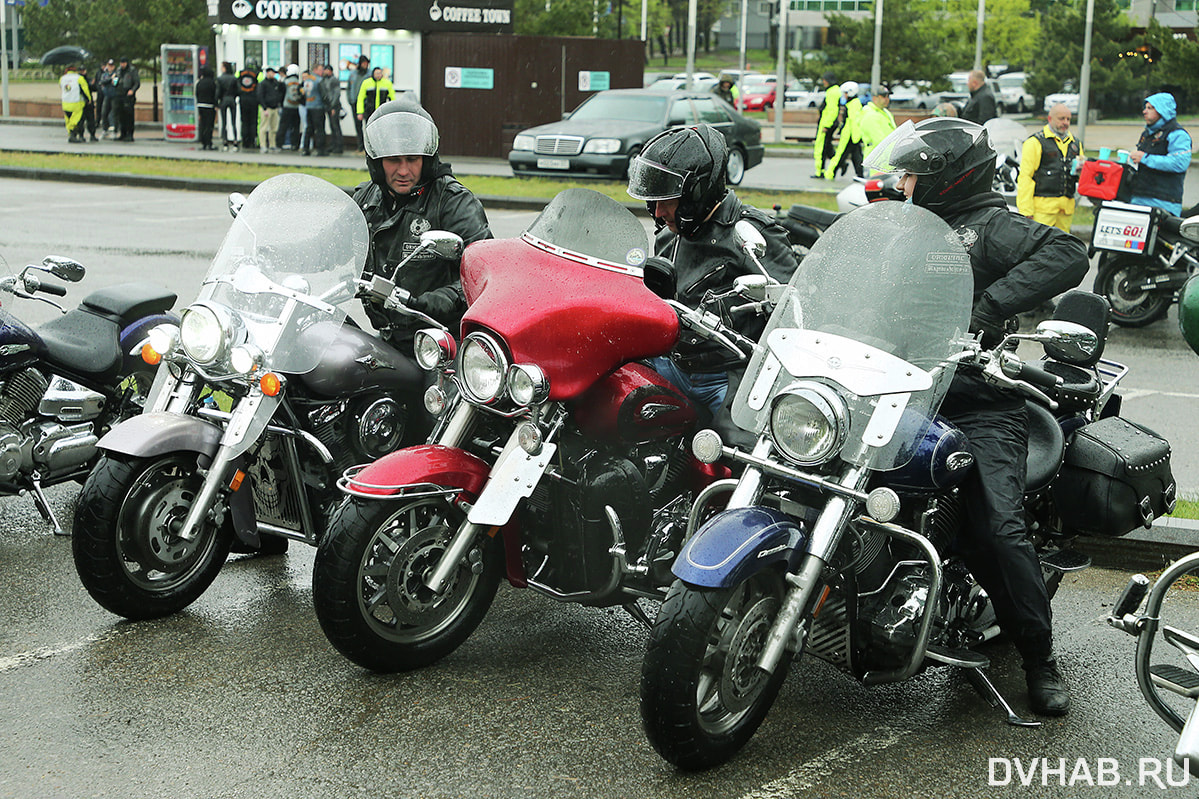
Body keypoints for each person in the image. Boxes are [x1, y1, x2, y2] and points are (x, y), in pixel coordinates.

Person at [864, 117, 1089, 717]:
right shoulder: (907, 226)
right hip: (897, 390)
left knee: (996, 525)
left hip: (976, 400)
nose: (903, 184)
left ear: (948, 178)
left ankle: (1039, 656)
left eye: (912, 175)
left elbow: (1068, 253)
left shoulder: (988, 226)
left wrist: (986, 308)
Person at [626, 124, 799, 418]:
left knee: (739, 451)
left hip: (728, 375)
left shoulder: (751, 232)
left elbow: (796, 310)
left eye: (666, 198)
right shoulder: (669, 235)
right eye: (654, 200)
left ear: (696, 192)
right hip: (673, 363)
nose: (657, 212)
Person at [351, 96, 492, 422]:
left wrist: (431, 302)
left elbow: (483, 276)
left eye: (412, 160)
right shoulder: (366, 199)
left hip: (439, 344)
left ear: (427, 159)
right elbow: (330, 245)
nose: (403, 171)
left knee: (441, 420)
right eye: (393, 160)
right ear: (376, 161)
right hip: (388, 339)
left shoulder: (453, 202)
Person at [1016, 103, 1079, 234]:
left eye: (1068, 119)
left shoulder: (1075, 144)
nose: (1065, 123)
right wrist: (1026, 210)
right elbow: (1025, 177)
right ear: (1050, 119)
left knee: (1062, 248)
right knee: (1039, 249)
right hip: (1042, 210)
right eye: (1061, 119)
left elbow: (1080, 175)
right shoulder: (1035, 142)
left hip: (1065, 211)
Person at [1128, 92, 1192, 217]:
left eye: (1150, 108)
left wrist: (1145, 158)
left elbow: (1180, 163)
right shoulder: (1147, 134)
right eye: (1145, 108)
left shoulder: (1178, 135)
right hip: (1138, 199)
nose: (1144, 111)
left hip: (1164, 203)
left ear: (1163, 110)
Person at [827, 81, 864, 179]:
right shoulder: (855, 103)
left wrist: (854, 136)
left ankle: (830, 173)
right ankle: (860, 175)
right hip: (852, 135)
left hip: (849, 135)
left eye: (846, 93)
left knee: (841, 155)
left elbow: (853, 121)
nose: (844, 95)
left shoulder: (853, 104)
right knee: (857, 156)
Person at [812, 71, 842, 179]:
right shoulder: (834, 91)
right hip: (827, 122)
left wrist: (826, 125)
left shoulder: (832, 92)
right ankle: (837, 165)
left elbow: (832, 110)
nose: (823, 82)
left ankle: (820, 171)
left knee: (821, 148)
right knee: (827, 147)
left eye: (824, 80)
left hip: (827, 123)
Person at [858, 85, 896, 157]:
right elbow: (878, 140)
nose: (887, 99)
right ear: (875, 98)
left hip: (886, 158)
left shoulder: (886, 112)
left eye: (888, 96)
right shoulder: (870, 114)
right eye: (883, 97)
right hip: (875, 160)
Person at [59, 64, 91, 143]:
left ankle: (71, 134)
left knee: (68, 119)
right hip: (76, 103)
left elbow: (61, 86)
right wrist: (88, 99)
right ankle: (73, 136)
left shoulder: (62, 78)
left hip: (65, 103)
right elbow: (85, 90)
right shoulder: (79, 78)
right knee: (76, 120)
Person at [256, 66, 284, 153]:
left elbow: (280, 92)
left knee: (274, 128)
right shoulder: (263, 84)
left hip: (274, 108)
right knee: (264, 128)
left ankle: (272, 145)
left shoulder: (275, 83)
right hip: (266, 108)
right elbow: (260, 96)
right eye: (272, 73)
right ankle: (263, 145)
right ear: (268, 73)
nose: (273, 75)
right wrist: (264, 108)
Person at [347, 54, 371, 152]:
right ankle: (360, 145)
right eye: (364, 63)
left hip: (366, 103)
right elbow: (349, 87)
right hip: (355, 102)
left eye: (366, 63)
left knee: (368, 126)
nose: (365, 65)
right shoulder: (353, 74)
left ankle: (368, 147)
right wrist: (350, 99)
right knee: (357, 125)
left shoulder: (370, 74)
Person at [113, 56, 140, 142]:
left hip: (128, 95)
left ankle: (130, 134)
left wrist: (132, 90)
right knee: (121, 116)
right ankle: (123, 133)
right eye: (121, 63)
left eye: (123, 63)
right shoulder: (118, 70)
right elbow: (115, 81)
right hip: (119, 94)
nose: (122, 65)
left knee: (129, 115)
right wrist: (114, 81)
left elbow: (137, 82)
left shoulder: (132, 70)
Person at [320, 64, 345, 155]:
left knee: (335, 126)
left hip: (334, 106)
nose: (325, 72)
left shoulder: (334, 80)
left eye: (326, 70)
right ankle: (333, 145)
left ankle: (339, 146)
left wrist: (333, 106)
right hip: (328, 106)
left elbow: (336, 94)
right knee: (332, 126)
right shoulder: (325, 79)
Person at [302, 67, 327, 156]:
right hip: (318, 107)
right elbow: (324, 94)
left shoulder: (307, 80)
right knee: (320, 129)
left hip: (309, 106)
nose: (322, 71)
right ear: (315, 70)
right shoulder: (319, 80)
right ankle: (321, 150)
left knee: (309, 128)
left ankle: (305, 149)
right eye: (321, 70)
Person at [279, 64, 303, 151]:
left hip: (286, 106)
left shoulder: (285, 81)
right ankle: (295, 144)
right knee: (295, 126)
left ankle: (280, 143)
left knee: (283, 126)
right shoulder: (299, 82)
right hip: (296, 107)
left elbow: (281, 94)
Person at [216, 62, 239, 150]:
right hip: (232, 100)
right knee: (233, 121)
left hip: (223, 100)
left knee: (224, 122)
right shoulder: (234, 78)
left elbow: (218, 92)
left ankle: (225, 141)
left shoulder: (220, 79)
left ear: (224, 68)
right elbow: (238, 90)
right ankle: (235, 140)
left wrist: (217, 101)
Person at [237, 63, 259, 151]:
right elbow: (260, 86)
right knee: (253, 121)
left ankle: (245, 141)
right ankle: (252, 141)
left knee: (244, 121)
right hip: (254, 100)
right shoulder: (258, 74)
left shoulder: (239, 73)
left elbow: (236, 84)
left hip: (243, 99)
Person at [195, 65, 217, 151]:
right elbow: (214, 95)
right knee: (209, 125)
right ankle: (209, 142)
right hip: (209, 105)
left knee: (203, 124)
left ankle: (203, 142)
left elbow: (197, 94)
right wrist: (216, 105)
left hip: (200, 105)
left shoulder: (199, 83)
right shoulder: (212, 83)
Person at [96, 59, 116, 138]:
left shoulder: (116, 74)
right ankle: (105, 130)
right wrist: (110, 79)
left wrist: (109, 81)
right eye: (109, 66)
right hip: (106, 95)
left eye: (111, 66)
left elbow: (115, 83)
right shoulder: (105, 74)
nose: (110, 67)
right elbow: (102, 82)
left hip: (114, 95)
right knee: (104, 113)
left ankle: (113, 130)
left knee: (113, 113)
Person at [78, 67, 99, 142]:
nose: (82, 72)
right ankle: (81, 135)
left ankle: (92, 135)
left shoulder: (88, 79)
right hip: (81, 102)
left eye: (83, 70)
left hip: (89, 103)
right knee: (81, 120)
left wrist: (93, 84)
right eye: (81, 70)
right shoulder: (78, 80)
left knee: (91, 120)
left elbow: (95, 88)